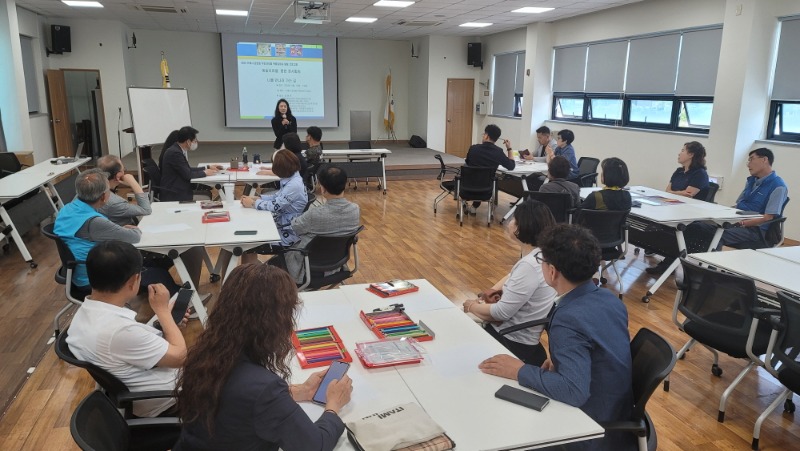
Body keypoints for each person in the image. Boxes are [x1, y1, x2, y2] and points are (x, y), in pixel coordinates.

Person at [479, 224, 635, 451]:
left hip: (589, 429)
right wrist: (566, 359)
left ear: (552, 272)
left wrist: (518, 370)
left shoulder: (569, 319)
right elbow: (602, 346)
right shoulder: (607, 298)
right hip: (616, 408)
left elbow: (574, 391)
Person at [174, 264, 353, 450]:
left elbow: (237, 403)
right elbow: (316, 446)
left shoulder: (206, 353)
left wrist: (301, 391)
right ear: (275, 322)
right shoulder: (265, 388)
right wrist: (333, 405)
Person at [66, 241, 187, 417]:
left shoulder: (85, 314)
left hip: (141, 389)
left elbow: (128, 343)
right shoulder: (119, 331)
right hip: (169, 400)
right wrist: (163, 313)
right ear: (133, 281)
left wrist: (166, 321)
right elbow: (180, 357)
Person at [54, 169, 181, 297]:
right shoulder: (94, 222)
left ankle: (157, 294)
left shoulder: (67, 209)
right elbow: (135, 237)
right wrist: (130, 229)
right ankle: (180, 307)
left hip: (82, 270)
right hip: (94, 277)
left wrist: (116, 229)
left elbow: (90, 235)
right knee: (158, 274)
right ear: (104, 197)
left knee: (154, 263)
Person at [462, 200, 557, 366]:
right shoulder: (542, 255)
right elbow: (512, 275)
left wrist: (471, 306)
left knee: (456, 321)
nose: (509, 223)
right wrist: (491, 290)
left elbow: (501, 313)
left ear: (521, 227)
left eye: (514, 220)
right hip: (526, 337)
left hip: (511, 340)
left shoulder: (528, 265)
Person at [682, 147, 788, 255]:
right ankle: (683, 261)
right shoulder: (751, 181)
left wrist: (741, 223)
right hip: (736, 221)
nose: (748, 164)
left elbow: (767, 217)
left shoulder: (778, 186)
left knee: (717, 234)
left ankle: (709, 268)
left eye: (751, 159)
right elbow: (738, 205)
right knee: (695, 226)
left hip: (755, 230)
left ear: (764, 160)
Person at [285, 166, 361, 284]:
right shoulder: (355, 209)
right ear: (344, 185)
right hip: (337, 265)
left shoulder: (315, 213)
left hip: (306, 268)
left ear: (323, 188)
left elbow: (295, 228)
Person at [645, 142, 710, 274]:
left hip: (689, 214)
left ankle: (667, 264)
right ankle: (653, 247)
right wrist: (678, 192)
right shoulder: (678, 171)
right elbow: (667, 190)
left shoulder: (700, 174)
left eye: (683, 150)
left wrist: (673, 193)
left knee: (672, 230)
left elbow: (689, 195)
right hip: (672, 208)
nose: (679, 153)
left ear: (691, 154)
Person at [244, 149, 308, 248]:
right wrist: (258, 197)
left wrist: (253, 204)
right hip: (283, 223)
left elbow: (275, 206)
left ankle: (252, 263)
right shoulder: (293, 178)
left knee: (248, 242)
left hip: (287, 231)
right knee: (250, 232)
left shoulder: (294, 185)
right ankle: (253, 263)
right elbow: (277, 197)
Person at [464, 124, 515, 214]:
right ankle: (474, 207)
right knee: (482, 180)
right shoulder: (498, 152)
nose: (483, 136)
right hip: (486, 191)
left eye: (484, 134)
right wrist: (509, 148)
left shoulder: (473, 149)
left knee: (475, 177)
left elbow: (467, 163)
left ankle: (466, 204)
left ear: (487, 136)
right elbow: (511, 166)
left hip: (466, 188)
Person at [159, 126, 217, 202]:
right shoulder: (175, 153)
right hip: (175, 194)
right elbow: (188, 174)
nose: (195, 143)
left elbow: (187, 169)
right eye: (194, 141)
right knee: (206, 197)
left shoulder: (176, 150)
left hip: (177, 189)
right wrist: (204, 173)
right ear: (188, 142)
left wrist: (207, 167)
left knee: (207, 193)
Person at [96, 155, 151, 226]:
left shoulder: (88, 190)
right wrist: (133, 183)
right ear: (118, 175)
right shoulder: (114, 202)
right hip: (127, 232)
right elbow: (146, 210)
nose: (124, 172)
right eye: (124, 169)